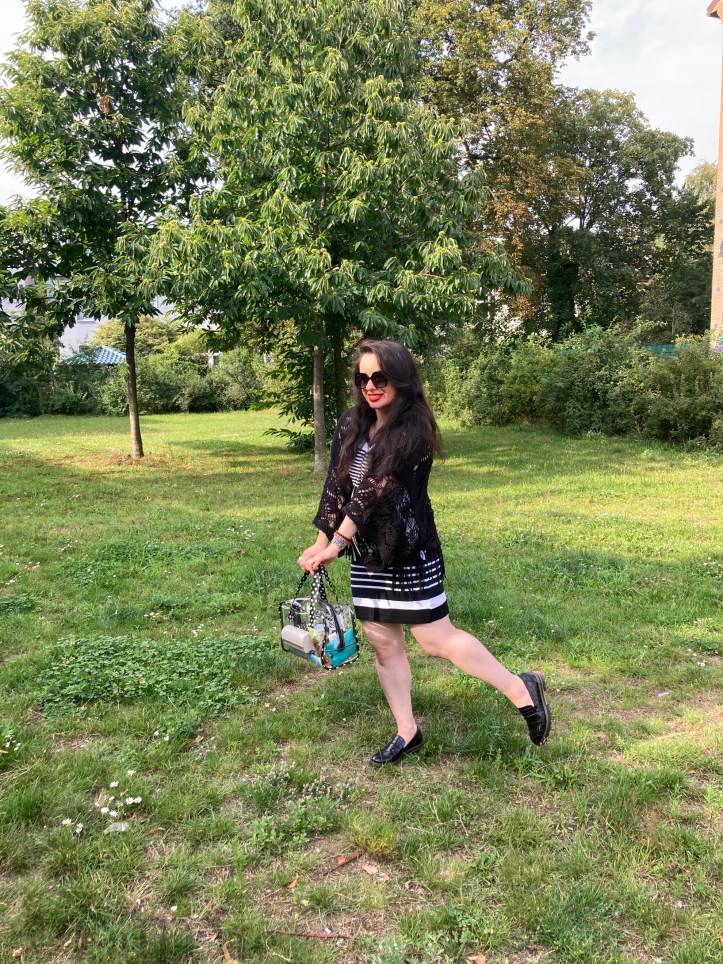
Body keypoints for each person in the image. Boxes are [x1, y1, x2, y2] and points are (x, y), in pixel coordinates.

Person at [298, 339, 550, 766]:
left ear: (400, 378)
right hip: (367, 551)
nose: (371, 386)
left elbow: (372, 491)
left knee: (435, 638)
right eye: (363, 378)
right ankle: (407, 731)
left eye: (380, 377)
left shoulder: (413, 430)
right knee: (382, 642)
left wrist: (336, 545)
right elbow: (338, 487)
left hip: (408, 550)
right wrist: (322, 540)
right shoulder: (350, 422)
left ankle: (522, 689)